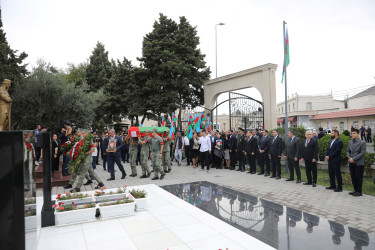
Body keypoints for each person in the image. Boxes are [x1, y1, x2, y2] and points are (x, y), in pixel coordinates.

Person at [347, 129, 366, 197]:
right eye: (351, 133)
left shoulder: (362, 142)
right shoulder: (349, 142)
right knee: (353, 177)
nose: (352, 134)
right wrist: (349, 158)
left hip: (359, 163)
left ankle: (359, 191)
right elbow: (348, 151)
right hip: (351, 163)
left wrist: (354, 159)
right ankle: (355, 190)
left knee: (359, 178)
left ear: (358, 134)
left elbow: (362, 152)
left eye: (354, 133)